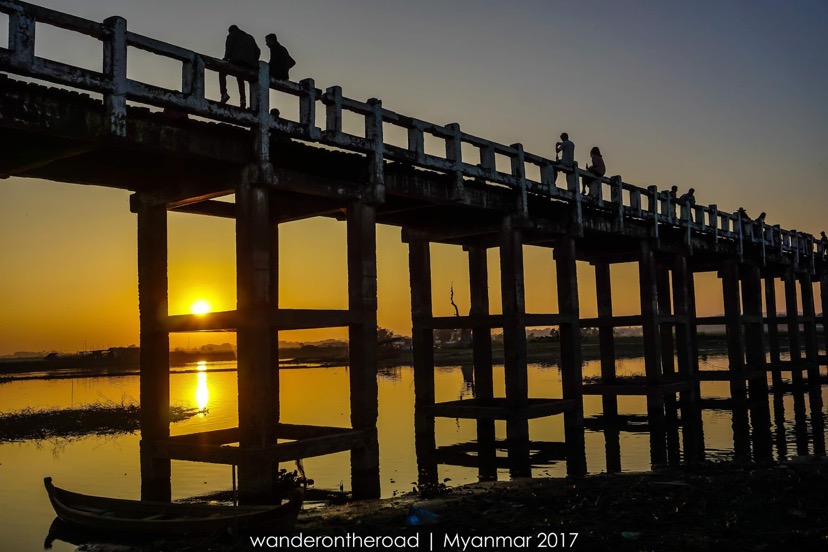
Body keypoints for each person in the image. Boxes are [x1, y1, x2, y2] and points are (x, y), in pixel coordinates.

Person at [219, 25, 261, 109]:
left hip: (237, 61)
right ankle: (243, 101)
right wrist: (253, 61)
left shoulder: (231, 35)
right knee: (240, 77)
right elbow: (258, 51)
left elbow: (229, 48)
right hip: (250, 64)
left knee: (222, 71)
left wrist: (225, 59)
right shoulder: (250, 37)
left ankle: (224, 93)